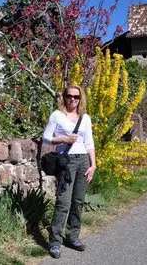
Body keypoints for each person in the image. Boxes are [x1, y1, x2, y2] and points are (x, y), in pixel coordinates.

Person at [42, 85, 96, 259]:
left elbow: (90, 143)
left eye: (76, 97)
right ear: (64, 97)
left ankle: (73, 237)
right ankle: (55, 242)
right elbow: (46, 137)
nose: (73, 99)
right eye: (69, 96)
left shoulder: (85, 118)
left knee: (78, 201)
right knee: (63, 202)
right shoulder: (57, 116)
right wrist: (65, 138)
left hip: (83, 161)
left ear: (81, 99)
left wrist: (93, 164)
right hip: (66, 161)